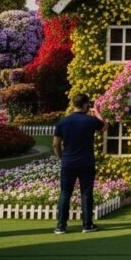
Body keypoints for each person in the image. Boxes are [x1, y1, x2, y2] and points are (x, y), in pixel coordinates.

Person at [53, 93, 107, 234]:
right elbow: (104, 126)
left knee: (65, 193)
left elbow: (55, 144)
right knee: (86, 193)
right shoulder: (90, 120)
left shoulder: (63, 122)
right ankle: (87, 225)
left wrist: (61, 157)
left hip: (68, 162)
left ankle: (60, 226)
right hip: (86, 162)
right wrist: (97, 112)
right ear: (85, 105)